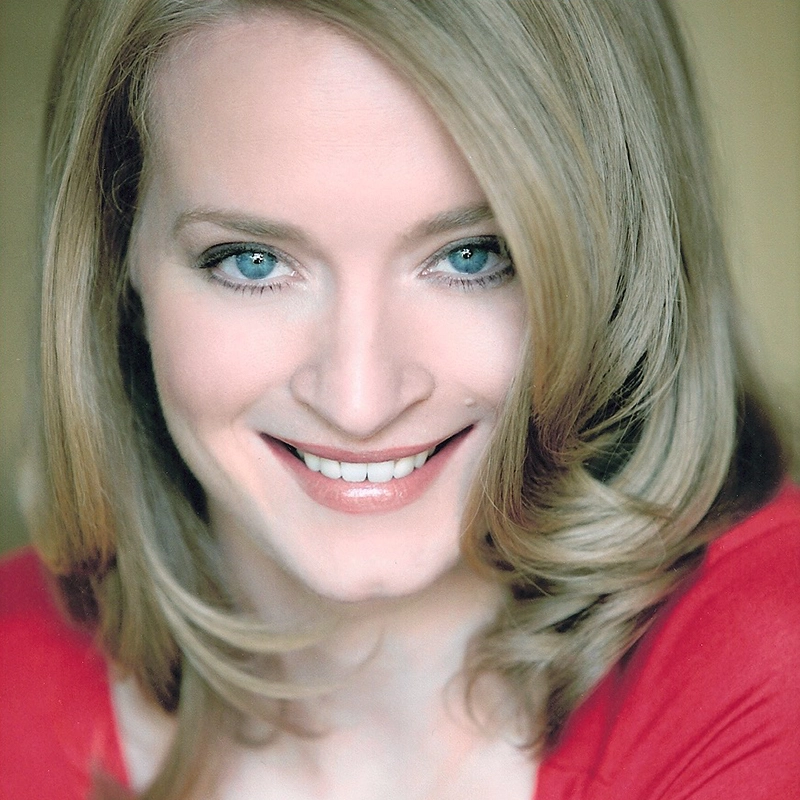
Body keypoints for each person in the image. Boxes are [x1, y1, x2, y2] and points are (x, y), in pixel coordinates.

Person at [1, 0, 798, 797]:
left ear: (619, 265)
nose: (358, 400)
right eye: (250, 262)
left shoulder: (769, 671)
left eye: (470, 256)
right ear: (117, 266)